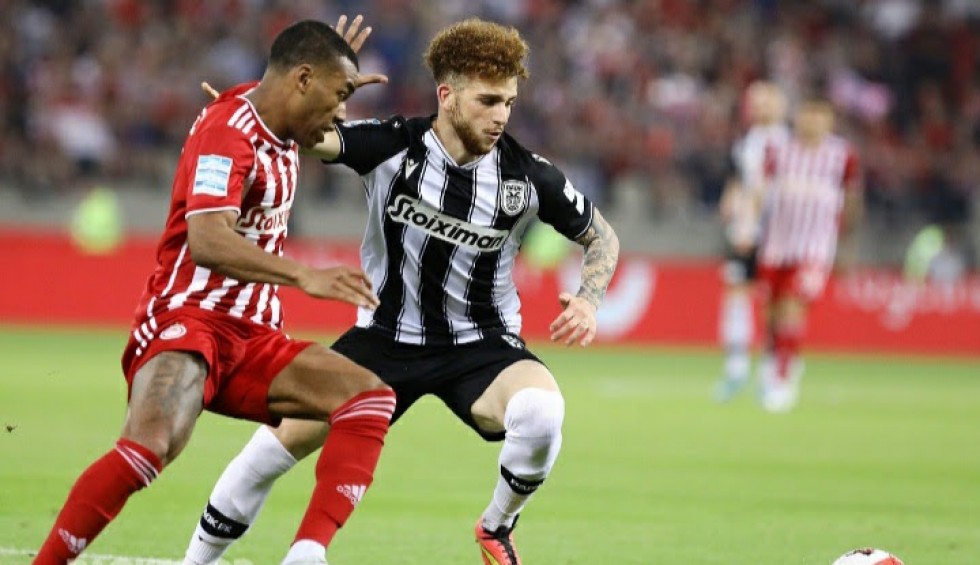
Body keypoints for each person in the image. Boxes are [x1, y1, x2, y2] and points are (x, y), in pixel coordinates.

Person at [184, 17, 620, 565]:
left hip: (481, 346)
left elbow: (602, 237)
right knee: (270, 451)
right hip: (383, 339)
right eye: (488, 101)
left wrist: (589, 299)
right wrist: (252, 110)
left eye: (509, 102)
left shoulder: (528, 177)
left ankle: (496, 526)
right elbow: (308, 135)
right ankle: (194, 562)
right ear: (447, 95)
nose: (501, 115)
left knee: (542, 413)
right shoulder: (392, 145)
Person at [33, 20, 397, 565]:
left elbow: (269, 91)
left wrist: (335, 72)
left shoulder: (277, 120)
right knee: (150, 447)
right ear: (302, 79)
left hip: (255, 337)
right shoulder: (228, 132)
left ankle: (306, 554)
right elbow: (206, 240)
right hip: (190, 319)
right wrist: (303, 275)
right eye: (339, 95)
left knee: (369, 398)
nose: (342, 113)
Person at [755, 99, 862, 412]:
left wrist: (848, 245)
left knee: (792, 306)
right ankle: (777, 356)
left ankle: (782, 379)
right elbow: (761, 192)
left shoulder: (842, 155)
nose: (812, 122)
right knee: (771, 312)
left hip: (814, 248)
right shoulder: (779, 150)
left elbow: (852, 198)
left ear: (829, 121)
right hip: (776, 245)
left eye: (819, 117)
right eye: (807, 116)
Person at [715, 81, 790, 402]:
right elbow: (738, 180)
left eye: (763, 101)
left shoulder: (787, 142)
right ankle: (736, 369)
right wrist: (729, 203)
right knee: (735, 294)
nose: (756, 107)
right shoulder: (747, 141)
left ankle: (772, 374)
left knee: (775, 303)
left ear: (779, 104)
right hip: (744, 232)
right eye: (752, 102)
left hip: (776, 233)